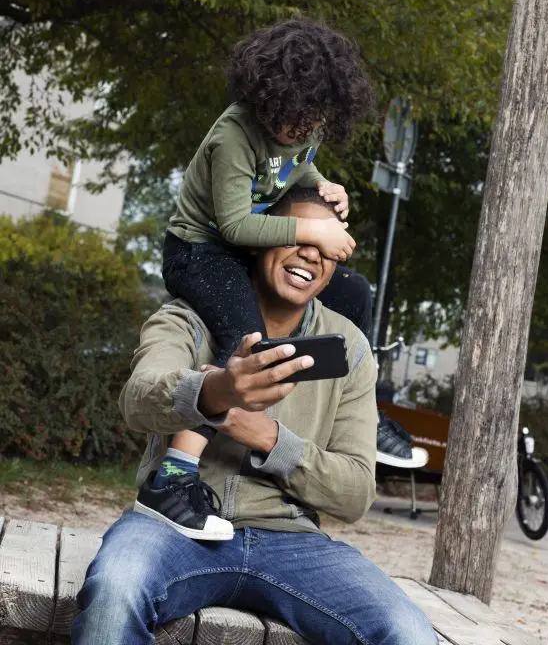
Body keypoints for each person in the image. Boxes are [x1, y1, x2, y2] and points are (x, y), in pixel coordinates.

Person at [72, 188, 437, 645]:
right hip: (173, 528)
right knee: (114, 591)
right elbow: (138, 400)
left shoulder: (350, 348)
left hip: (292, 541)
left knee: (410, 632)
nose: (310, 255)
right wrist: (215, 392)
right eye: (298, 236)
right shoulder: (188, 318)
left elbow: (355, 494)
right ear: (261, 239)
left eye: (327, 249)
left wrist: (268, 438)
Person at [141, 17, 376, 539]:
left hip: (242, 249)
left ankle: (322, 388)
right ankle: (173, 477)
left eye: (311, 119)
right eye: (288, 119)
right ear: (266, 98)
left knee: (354, 294)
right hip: (201, 250)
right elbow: (235, 224)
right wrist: (310, 224)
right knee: (244, 340)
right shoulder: (234, 135)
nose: (298, 131)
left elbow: (295, 170)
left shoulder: (304, 126)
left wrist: (326, 188)